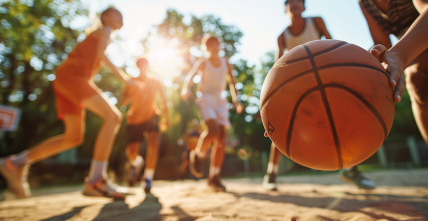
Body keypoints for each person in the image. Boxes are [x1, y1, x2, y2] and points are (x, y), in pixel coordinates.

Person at [0, 7, 133, 199]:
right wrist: (125, 79)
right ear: (106, 17)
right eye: (117, 14)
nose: (121, 18)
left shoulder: (99, 34)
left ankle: (14, 163)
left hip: (65, 80)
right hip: (73, 78)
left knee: (73, 137)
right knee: (113, 117)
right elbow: (102, 54)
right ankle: (96, 181)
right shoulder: (105, 31)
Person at [263, 0, 376, 191]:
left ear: (304, 6)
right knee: (283, 129)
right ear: (285, 9)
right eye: (290, 2)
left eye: (299, 1)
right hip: (299, 86)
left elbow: (335, 46)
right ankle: (271, 174)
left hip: (326, 80)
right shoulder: (282, 36)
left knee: (342, 122)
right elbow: (277, 70)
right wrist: (270, 106)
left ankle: (351, 170)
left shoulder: (316, 22)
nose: (295, 4)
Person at [360, 0, 428, 147]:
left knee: (416, 72)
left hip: (413, 45)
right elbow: (383, 45)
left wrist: (399, 54)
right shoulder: (365, 3)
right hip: (410, 53)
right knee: (416, 81)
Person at [180, 35, 243, 191]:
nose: (214, 47)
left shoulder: (225, 63)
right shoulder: (203, 63)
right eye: (211, 45)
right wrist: (185, 88)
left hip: (221, 101)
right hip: (206, 99)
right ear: (206, 48)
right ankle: (198, 153)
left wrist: (237, 100)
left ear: (220, 46)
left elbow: (232, 82)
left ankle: (214, 177)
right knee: (213, 130)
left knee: (221, 138)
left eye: (216, 44)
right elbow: (190, 76)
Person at [120, 57, 169, 193]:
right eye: (140, 65)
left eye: (145, 65)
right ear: (136, 67)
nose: (142, 67)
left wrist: (167, 118)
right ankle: (136, 164)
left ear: (148, 66)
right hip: (135, 119)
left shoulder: (155, 82)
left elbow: (164, 101)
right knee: (131, 151)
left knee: (153, 144)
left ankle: (148, 178)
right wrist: (133, 91)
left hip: (152, 116)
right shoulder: (131, 82)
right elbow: (122, 102)